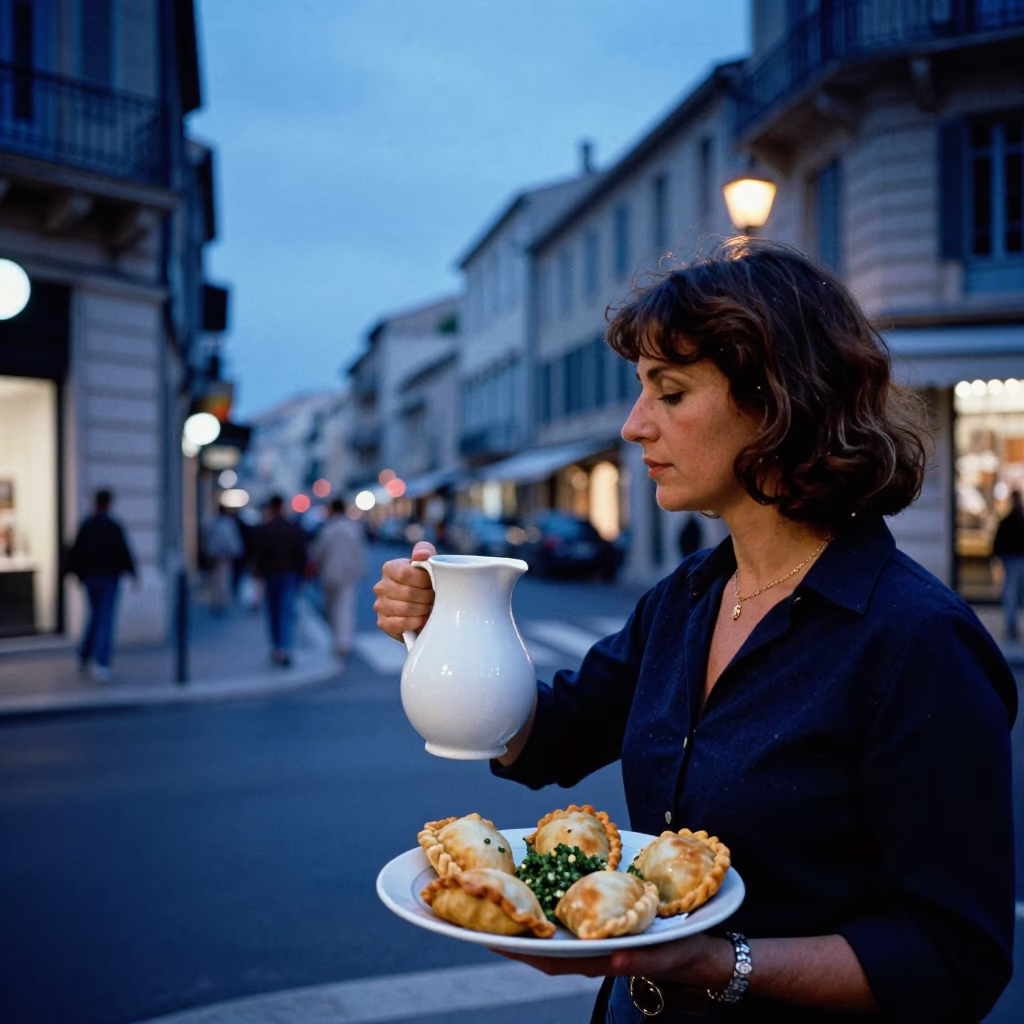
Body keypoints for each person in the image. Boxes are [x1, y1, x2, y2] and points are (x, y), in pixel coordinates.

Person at [372, 238, 1017, 1023]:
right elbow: (548, 736)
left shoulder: (916, 640)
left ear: (777, 402)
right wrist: (452, 627)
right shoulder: (685, 599)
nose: (633, 425)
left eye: (670, 393)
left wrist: (718, 963)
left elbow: (953, 958)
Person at [66, 488, 137, 682]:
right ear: (108, 504)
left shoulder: (87, 525)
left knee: (95, 617)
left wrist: (76, 574)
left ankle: (84, 656)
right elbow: (123, 552)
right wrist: (133, 574)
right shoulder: (112, 526)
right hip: (107, 579)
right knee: (104, 619)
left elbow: (76, 552)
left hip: (91, 578)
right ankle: (101, 662)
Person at [252, 494, 308, 666]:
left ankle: (277, 646)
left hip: (271, 574)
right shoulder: (292, 528)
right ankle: (284, 648)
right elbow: (301, 554)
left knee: (274, 612)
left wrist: (259, 573)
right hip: (288, 574)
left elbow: (258, 556)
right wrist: (302, 575)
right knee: (286, 611)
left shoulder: (265, 528)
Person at [310, 498, 368, 662]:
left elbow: (318, 552)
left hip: (329, 573)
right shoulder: (353, 528)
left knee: (332, 608)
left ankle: (338, 641)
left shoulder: (328, 529)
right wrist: (361, 570)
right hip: (349, 573)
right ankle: (343, 642)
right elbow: (360, 551)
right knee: (345, 608)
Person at [992, 489, 1024, 642]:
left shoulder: (1008, 520)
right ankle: (1012, 626)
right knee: (1013, 592)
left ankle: (1012, 626)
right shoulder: (1016, 519)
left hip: (1011, 560)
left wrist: (997, 555)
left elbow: (998, 541)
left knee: (1011, 592)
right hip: (1015, 559)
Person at [203, 504, 244, 615]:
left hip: (216, 556)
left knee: (216, 581)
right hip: (223, 557)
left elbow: (207, 541)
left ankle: (217, 602)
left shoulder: (213, 523)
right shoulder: (227, 524)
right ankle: (221, 603)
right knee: (222, 581)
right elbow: (232, 541)